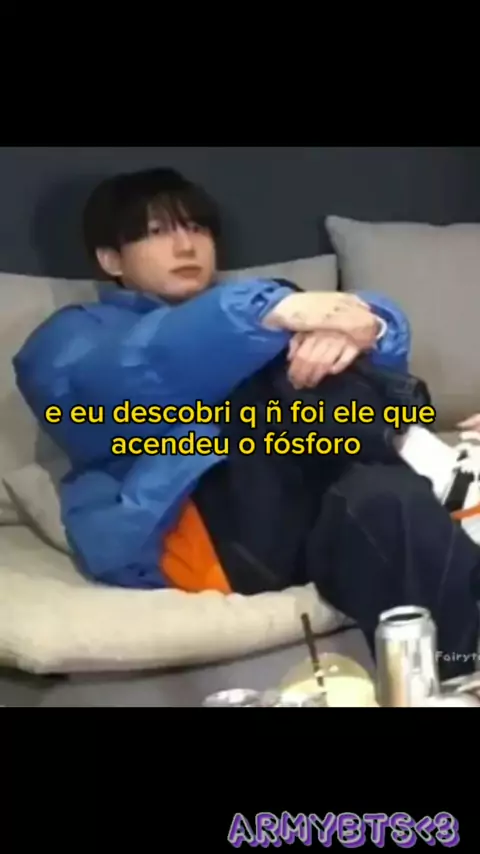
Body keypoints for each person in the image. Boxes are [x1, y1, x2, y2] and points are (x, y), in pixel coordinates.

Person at [13, 167, 480, 681]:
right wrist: (277, 315)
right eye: (156, 232)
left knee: (386, 498)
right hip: (196, 529)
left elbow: (377, 359)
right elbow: (137, 369)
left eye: (197, 228)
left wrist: (362, 324)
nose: (185, 245)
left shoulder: (260, 313)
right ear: (111, 260)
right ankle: (425, 455)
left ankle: (457, 678)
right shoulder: (70, 338)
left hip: (304, 505)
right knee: (261, 374)